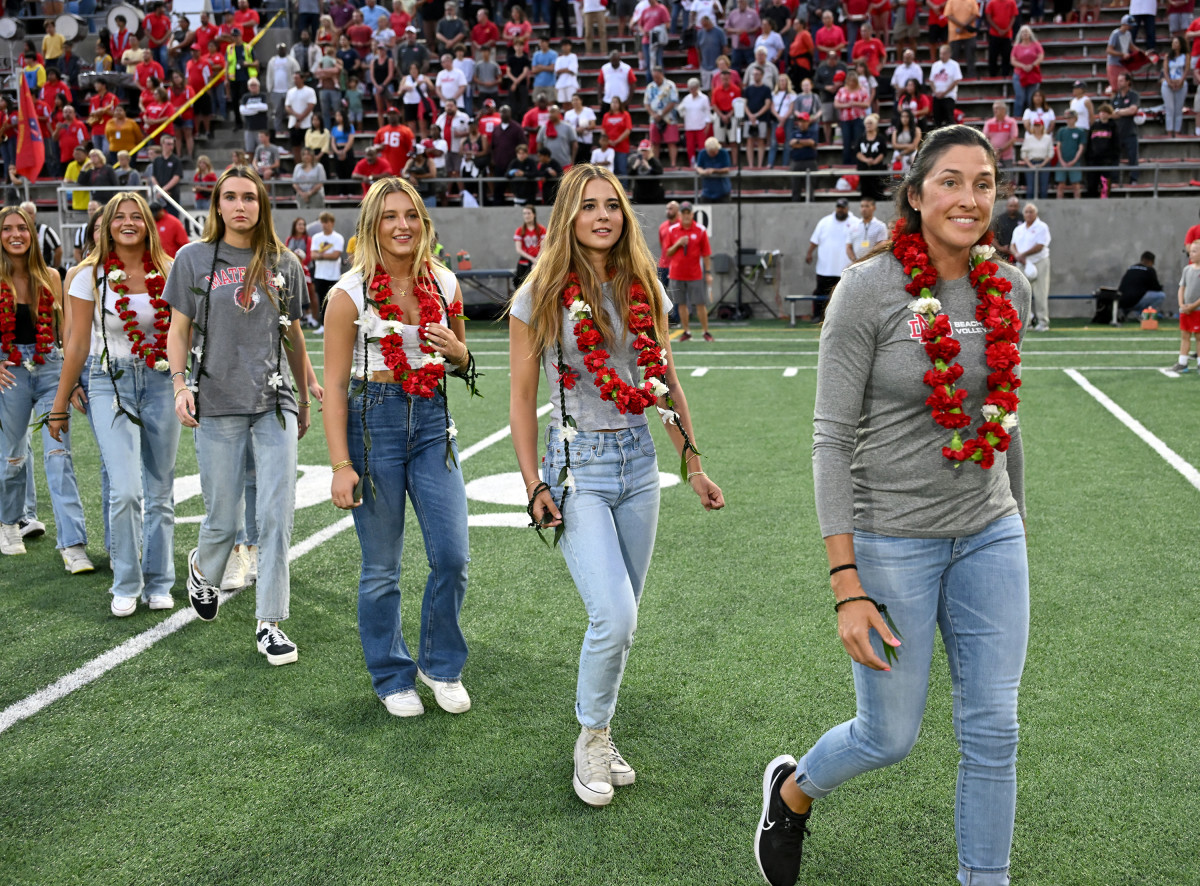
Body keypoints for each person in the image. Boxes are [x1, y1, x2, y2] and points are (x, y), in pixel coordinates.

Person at [755, 123, 1031, 886]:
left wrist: (1019, 522)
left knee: (994, 731)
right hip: (891, 540)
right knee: (889, 736)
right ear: (915, 195)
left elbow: (1006, 418)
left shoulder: (1004, 284)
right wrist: (847, 583)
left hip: (989, 532)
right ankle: (793, 791)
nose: (970, 197)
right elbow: (830, 439)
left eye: (983, 182)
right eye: (951, 181)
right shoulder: (868, 290)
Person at [508, 164, 724, 807]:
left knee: (624, 620)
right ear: (567, 217)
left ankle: (601, 734)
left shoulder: (644, 286)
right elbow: (522, 401)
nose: (602, 216)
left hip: (638, 465)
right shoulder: (539, 294)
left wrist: (691, 458)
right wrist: (531, 484)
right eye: (588, 206)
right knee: (614, 613)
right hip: (578, 467)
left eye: (612, 206)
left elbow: (665, 379)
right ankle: (590, 739)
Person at [322, 175, 476, 716]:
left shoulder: (445, 283)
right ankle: (391, 676)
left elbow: (462, 361)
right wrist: (341, 464)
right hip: (372, 424)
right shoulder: (348, 294)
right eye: (389, 216)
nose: (402, 225)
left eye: (410, 214)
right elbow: (335, 387)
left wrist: (458, 351)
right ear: (371, 224)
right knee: (382, 566)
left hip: (432, 420)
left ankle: (440, 664)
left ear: (424, 222)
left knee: (453, 555)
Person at [165, 166, 312, 665]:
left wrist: (306, 394)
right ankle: (203, 568)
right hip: (217, 402)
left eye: (249, 197)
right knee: (223, 520)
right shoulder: (192, 259)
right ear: (217, 205)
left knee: (275, 517)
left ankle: (269, 623)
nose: (240, 206)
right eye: (230, 197)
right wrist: (180, 384)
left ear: (262, 204)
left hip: (274, 404)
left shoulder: (284, 262)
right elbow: (179, 331)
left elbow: (293, 334)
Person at [48, 193, 178, 615]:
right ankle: (126, 581)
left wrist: (185, 383)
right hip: (110, 381)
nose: (127, 222)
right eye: (118, 217)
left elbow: (184, 334)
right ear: (105, 226)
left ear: (148, 223)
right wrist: (60, 400)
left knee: (159, 490)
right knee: (124, 488)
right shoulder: (87, 275)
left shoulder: (170, 270)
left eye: (135, 215)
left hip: (160, 381)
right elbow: (77, 344)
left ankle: (159, 581)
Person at [0, 206, 91, 567]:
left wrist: (72, 382)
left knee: (59, 457)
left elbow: (68, 334)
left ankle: (72, 544)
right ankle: (8, 523)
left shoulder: (52, 276)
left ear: (33, 232)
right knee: (13, 457)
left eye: (22, 227)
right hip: (12, 371)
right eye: (7, 229)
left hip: (51, 366)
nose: (15, 234)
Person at [665, 201, 714, 341]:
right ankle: (687, 331)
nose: (686, 216)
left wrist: (708, 273)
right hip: (676, 274)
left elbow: (706, 253)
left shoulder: (700, 229)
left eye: (688, 213)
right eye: (684, 213)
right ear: (680, 214)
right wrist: (679, 243)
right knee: (681, 304)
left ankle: (705, 331)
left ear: (692, 214)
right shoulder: (672, 230)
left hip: (695, 274)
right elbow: (668, 252)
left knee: (700, 303)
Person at [805, 197, 858, 318]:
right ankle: (818, 316)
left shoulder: (855, 222)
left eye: (843, 208)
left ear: (847, 209)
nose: (840, 210)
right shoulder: (825, 222)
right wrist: (809, 253)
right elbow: (815, 241)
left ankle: (843, 318)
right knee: (821, 293)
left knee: (844, 296)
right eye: (839, 207)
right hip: (825, 268)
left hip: (845, 268)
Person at [1010, 201, 1051, 331]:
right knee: (1021, 293)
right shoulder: (1019, 229)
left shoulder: (1042, 227)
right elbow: (1012, 245)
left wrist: (1023, 254)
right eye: (1026, 212)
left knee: (1040, 292)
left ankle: (1043, 322)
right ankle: (1026, 322)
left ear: (1036, 213)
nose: (1028, 214)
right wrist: (1017, 255)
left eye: (1031, 212)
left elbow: (1040, 245)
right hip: (1022, 263)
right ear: (1023, 214)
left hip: (1039, 261)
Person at [1168, 240, 1200, 372]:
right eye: (1190, 251)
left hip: (1197, 310)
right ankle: (1182, 363)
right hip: (1186, 311)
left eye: (1194, 251)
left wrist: (1193, 306)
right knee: (1185, 336)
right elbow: (1182, 288)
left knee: (1199, 337)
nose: (1190, 254)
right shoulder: (1187, 270)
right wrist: (1182, 305)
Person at [311, 212, 344, 331]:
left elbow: (336, 255)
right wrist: (326, 255)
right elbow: (313, 255)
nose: (325, 225)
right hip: (320, 274)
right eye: (323, 222)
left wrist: (320, 255)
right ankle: (323, 325)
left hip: (333, 275)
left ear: (332, 223)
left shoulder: (338, 237)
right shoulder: (316, 237)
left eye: (327, 222)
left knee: (333, 301)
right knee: (321, 301)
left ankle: (334, 325)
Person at [1116, 250, 1166, 320]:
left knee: (1133, 294)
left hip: (1122, 301)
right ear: (1150, 261)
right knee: (1161, 295)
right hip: (1135, 301)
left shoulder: (1131, 268)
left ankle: (1125, 313)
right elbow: (1156, 288)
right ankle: (1142, 314)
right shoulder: (1150, 270)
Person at [1111, 71, 1141, 184]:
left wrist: (1118, 111)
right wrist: (1124, 112)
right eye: (1118, 81)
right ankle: (1114, 180)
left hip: (1130, 132)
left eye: (1121, 80)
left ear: (1128, 82)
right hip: (1117, 133)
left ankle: (1134, 179)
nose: (1118, 83)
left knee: (1133, 157)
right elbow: (1111, 114)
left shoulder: (1134, 95)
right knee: (1114, 158)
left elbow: (1133, 110)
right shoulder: (1115, 98)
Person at [1086, 103, 1119, 197]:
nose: (1103, 114)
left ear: (1109, 114)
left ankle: (1104, 201)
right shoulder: (1094, 126)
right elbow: (1089, 143)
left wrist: (1113, 158)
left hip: (1106, 161)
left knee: (1105, 184)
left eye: (1105, 112)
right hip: (1093, 160)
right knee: (1092, 184)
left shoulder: (1113, 127)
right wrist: (1088, 157)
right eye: (1101, 112)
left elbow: (1116, 144)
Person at [786, 109, 820, 201]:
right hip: (796, 162)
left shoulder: (813, 132)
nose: (802, 123)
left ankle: (811, 206)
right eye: (800, 121)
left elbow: (812, 143)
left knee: (810, 188)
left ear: (808, 122)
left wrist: (798, 142)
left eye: (804, 121)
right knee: (795, 188)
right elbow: (792, 144)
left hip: (810, 162)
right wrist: (806, 143)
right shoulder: (793, 133)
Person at [1009, 26, 1043, 117]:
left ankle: (1032, 117)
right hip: (1019, 74)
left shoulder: (1036, 44)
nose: (1025, 33)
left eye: (1027, 31)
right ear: (1020, 34)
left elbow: (1041, 56)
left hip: (1033, 73)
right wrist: (1023, 66)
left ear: (1030, 33)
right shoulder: (1016, 47)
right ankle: (1017, 117)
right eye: (1023, 32)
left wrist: (1032, 65)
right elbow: (1013, 60)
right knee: (1020, 97)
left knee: (1031, 98)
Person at [1053, 110, 1087, 200]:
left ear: (1075, 119)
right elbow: (1058, 147)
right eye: (1067, 118)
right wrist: (1061, 161)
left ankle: (1077, 203)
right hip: (1062, 161)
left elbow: (1081, 148)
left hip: (1075, 162)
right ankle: (1059, 203)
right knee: (1061, 184)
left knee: (1076, 184)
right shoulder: (1061, 131)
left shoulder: (1080, 131)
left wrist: (1074, 161)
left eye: (1070, 118)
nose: (1068, 120)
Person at [929, 44, 962, 130]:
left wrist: (944, 92)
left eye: (944, 54)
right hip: (936, 96)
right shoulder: (935, 65)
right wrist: (935, 92)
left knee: (949, 119)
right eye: (940, 54)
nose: (941, 56)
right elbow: (931, 81)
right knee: (936, 119)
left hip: (949, 96)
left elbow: (956, 81)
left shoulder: (954, 65)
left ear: (949, 54)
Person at [1017, 119, 1052, 199]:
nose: (1037, 127)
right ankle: (1029, 207)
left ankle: (1043, 206)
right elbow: (1023, 153)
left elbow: (1050, 153)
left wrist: (1042, 164)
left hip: (1044, 163)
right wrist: (1030, 165)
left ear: (1042, 126)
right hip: (1031, 162)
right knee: (1030, 188)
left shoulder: (1047, 138)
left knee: (1044, 187)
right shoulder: (1029, 138)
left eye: (1038, 125)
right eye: (1035, 125)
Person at [845, 195, 887, 261]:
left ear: (874, 208)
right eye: (862, 206)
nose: (864, 209)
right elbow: (848, 247)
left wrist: (868, 260)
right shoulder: (853, 226)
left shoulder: (880, 226)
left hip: (873, 262)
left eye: (867, 206)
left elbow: (881, 246)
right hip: (856, 263)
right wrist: (855, 260)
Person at [514, 205, 546, 288]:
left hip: (538, 260)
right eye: (524, 213)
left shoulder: (541, 229)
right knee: (521, 286)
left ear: (534, 215)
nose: (526, 216)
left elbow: (543, 247)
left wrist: (537, 261)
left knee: (537, 286)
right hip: (524, 262)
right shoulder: (520, 230)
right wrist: (533, 260)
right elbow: (519, 249)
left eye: (528, 213)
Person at [855, 113, 886, 199]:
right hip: (864, 169)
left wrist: (875, 161)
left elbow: (883, 152)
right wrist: (866, 160)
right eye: (867, 123)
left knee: (877, 192)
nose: (868, 125)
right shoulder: (861, 138)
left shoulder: (880, 138)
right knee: (865, 192)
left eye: (870, 123)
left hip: (877, 170)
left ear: (875, 125)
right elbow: (857, 152)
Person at [694, 137, 733, 202]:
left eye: (715, 151)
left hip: (723, 191)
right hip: (707, 192)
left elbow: (727, 169)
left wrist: (714, 170)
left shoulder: (724, 153)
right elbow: (698, 167)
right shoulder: (702, 153)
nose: (714, 153)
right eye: (711, 152)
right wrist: (703, 172)